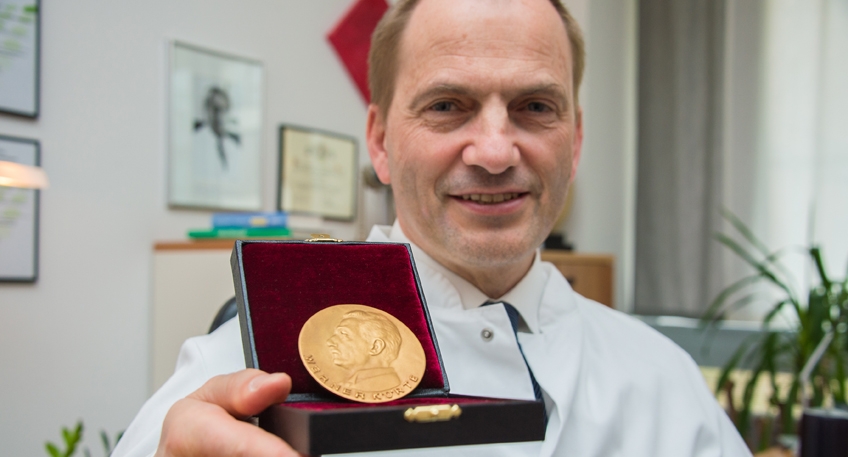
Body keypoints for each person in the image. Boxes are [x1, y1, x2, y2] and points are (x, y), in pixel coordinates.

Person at [114, 0, 752, 456]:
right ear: (380, 142)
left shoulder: (667, 382)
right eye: (448, 106)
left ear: (576, 140)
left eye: (535, 106)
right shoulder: (237, 374)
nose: (495, 152)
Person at [328, 310, 403, 391]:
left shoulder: (386, 385)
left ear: (375, 347)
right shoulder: (350, 383)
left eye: (344, 334)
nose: (329, 342)